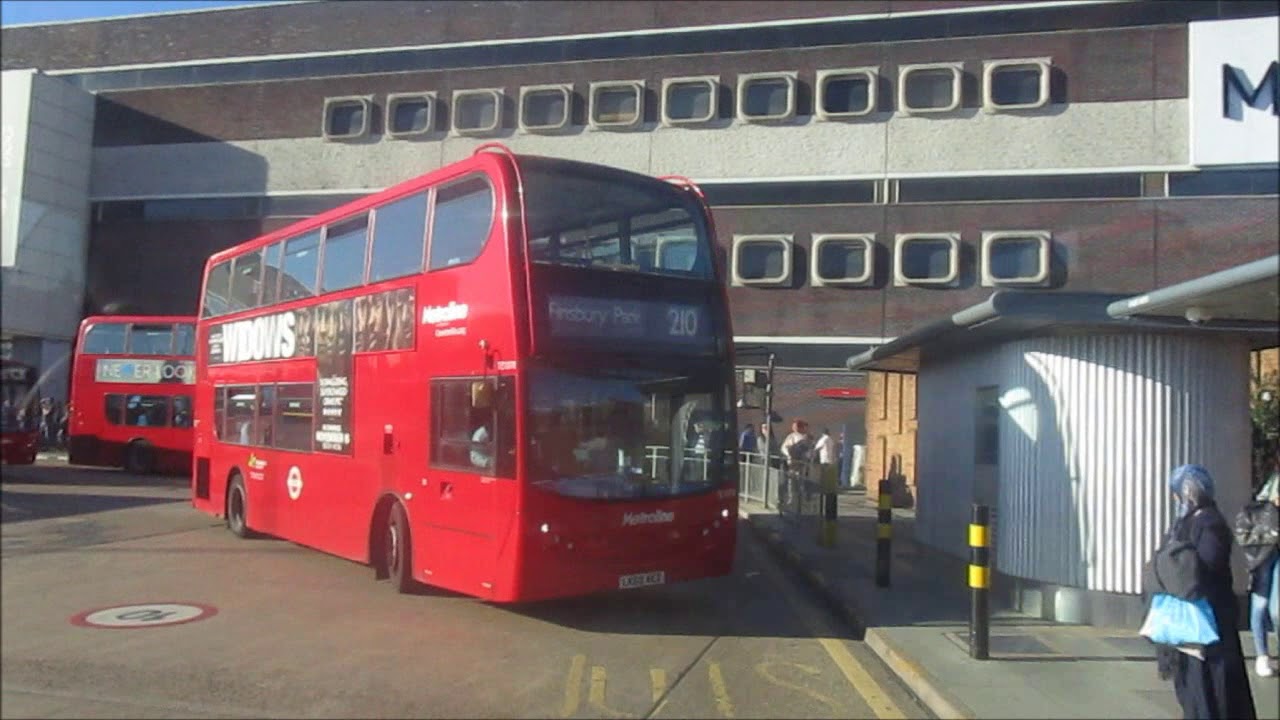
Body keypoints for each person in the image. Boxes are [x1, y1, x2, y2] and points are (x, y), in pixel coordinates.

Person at [1156, 464, 1257, 720]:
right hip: (1191, 619)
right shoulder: (1188, 521)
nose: (1175, 497)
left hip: (1209, 621)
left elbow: (1207, 565)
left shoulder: (1209, 522)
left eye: (1176, 491)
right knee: (1195, 687)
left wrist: (1172, 563)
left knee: (1213, 690)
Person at [1240, 453, 1280, 677]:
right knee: (1260, 604)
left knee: (1276, 610)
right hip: (1263, 550)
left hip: (1274, 551)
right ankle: (1262, 655)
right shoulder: (1266, 477)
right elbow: (1252, 508)